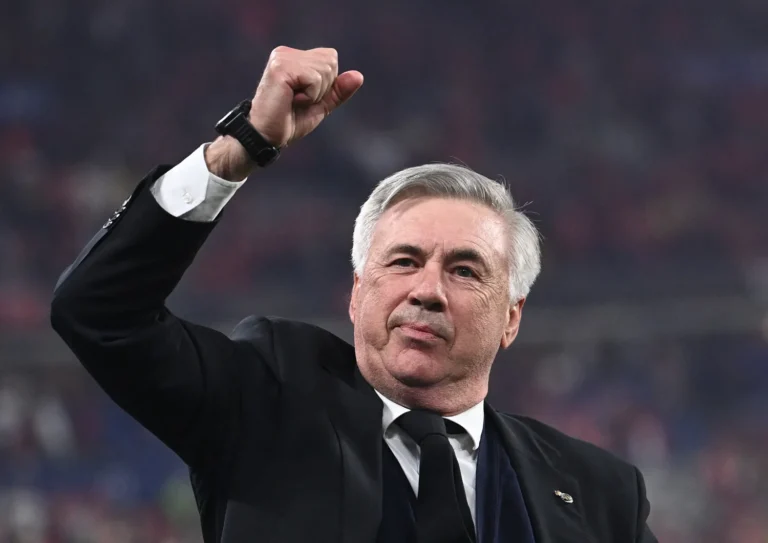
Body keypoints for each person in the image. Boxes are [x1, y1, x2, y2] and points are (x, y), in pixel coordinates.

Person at [50, 46, 657, 543]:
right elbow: (99, 311)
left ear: (512, 318)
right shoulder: (264, 401)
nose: (427, 291)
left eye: (465, 271)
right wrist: (240, 149)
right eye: (404, 261)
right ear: (357, 292)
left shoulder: (600, 492)